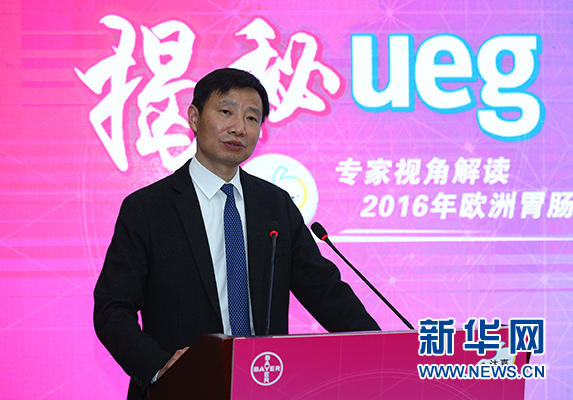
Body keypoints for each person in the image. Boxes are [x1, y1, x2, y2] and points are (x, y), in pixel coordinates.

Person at [93, 68, 380, 400]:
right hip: (182, 389)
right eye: (226, 112)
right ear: (194, 117)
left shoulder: (275, 205)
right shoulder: (148, 208)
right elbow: (112, 308)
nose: (239, 128)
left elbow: (326, 293)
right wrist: (159, 367)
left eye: (252, 118)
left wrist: (383, 349)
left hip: (265, 384)